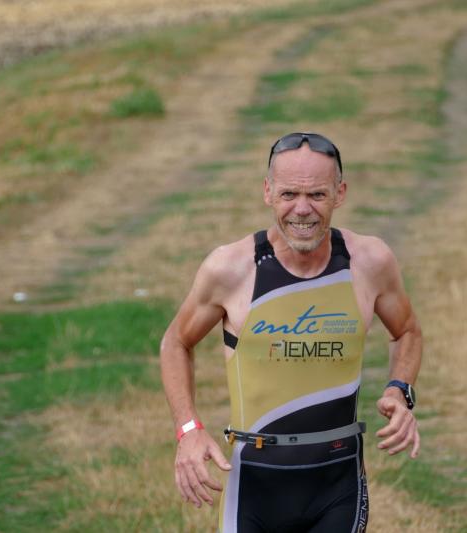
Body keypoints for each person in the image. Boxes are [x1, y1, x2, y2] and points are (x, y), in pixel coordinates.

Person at [160, 132, 422, 532]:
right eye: (288, 195)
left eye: (317, 195)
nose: (302, 209)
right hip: (253, 485)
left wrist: (399, 391)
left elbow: (407, 332)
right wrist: (188, 429)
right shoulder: (232, 268)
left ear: (339, 193)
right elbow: (176, 342)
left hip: (338, 482)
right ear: (268, 192)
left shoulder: (369, 262)